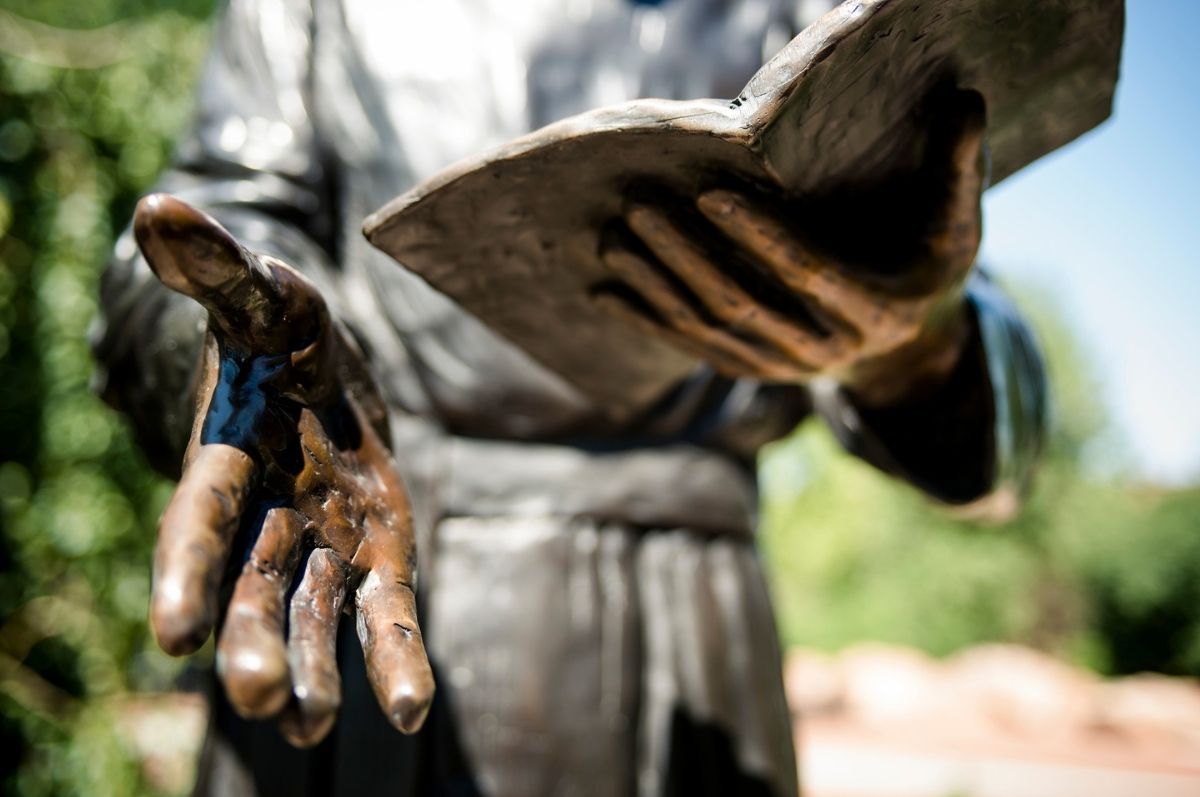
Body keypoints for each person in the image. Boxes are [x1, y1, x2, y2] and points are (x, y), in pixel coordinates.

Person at [91, 0, 1045, 794]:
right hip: (378, 561)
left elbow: (994, 406)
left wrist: (914, 347)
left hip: (694, 639)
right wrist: (236, 354)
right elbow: (199, 232)